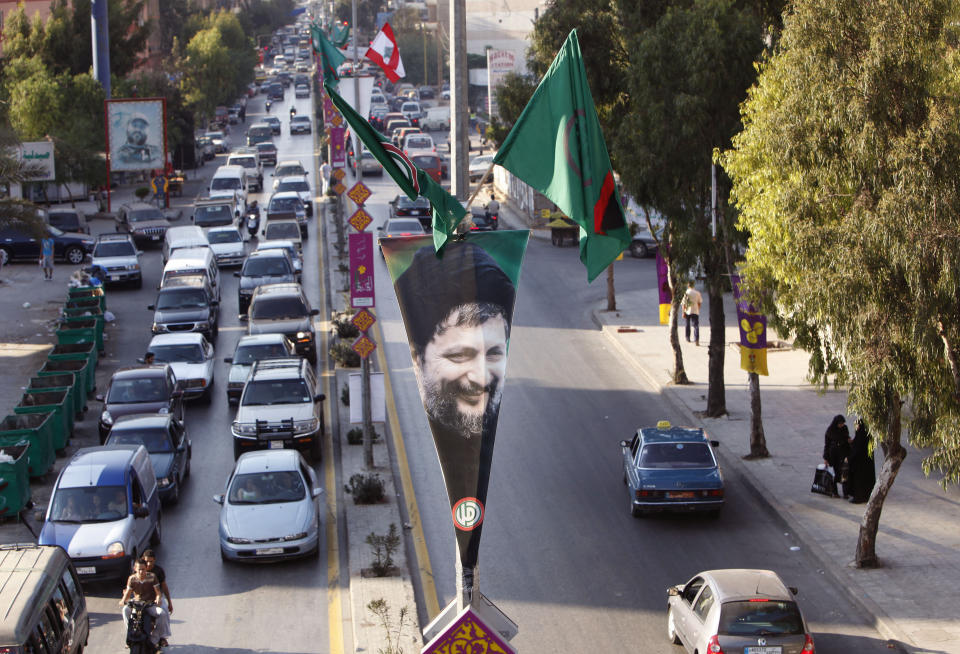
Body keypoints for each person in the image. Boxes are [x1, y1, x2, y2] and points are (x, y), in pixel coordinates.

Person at [119, 559, 171, 649]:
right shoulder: (132, 579)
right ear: (135, 568)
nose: (141, 571)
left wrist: (158, 599)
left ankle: (155, 638)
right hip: (137, 605)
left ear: (146, 568)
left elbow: (158, 593)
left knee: (162, 614)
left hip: (149, 605)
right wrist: (123, 600)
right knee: (125, 610)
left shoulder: (152, 577)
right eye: (139, 569)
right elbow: (127, 593)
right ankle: (130, 636)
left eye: (143, 569)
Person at [847, 419, 876, 504]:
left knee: (859, 481)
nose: (856, 428)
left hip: (860, 465)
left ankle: (859, 497)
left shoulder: (861, 436)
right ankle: (867, 496)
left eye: (857, 426)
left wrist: (849, 458)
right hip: (867, 464)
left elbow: (857, 449)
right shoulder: (867, 435)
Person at [822, 414, 851, 498]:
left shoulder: (844, 428)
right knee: (833, 474)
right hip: (833, 455)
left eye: (842, 423)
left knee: (844, 473)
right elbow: (827, 445)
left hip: (843, 454)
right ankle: (835, 492)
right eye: (840, 424)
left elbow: (846, 437)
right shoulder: (830, 431)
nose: (841, 425)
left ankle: (846, 493)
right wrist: (826, 458)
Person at [141, 550, 173, 616]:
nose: (148, 564)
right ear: (143, 559)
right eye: (147, 561)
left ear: (154, 560)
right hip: (141, 600)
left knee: (163, 614)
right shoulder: (138, 571)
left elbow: (164, 587)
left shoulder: (159, 571)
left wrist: (169, 602)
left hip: (155, 599)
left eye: (151, 561)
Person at [681, 281, 703, 345]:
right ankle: (696, 339)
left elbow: (683, 304)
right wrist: (698, 309)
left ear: (688, 285)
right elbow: (699, 302)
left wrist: (683, 312)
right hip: (695, 310)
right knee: (696, 325)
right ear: (693, 285)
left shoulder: (686, 293)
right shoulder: (697, 293)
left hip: (687, 311)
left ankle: (688, 338)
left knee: (687, 324)